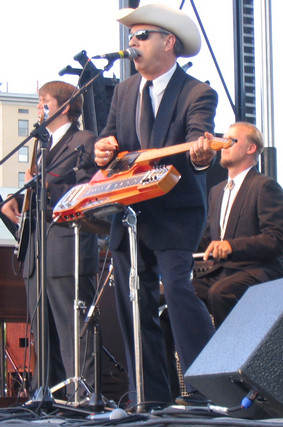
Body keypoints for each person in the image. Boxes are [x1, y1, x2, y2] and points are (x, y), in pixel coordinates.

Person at [94, 3, 218, 409]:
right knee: (134, 299)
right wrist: (103, 150)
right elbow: (113, 144)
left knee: (178, 288)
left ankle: (206, 388)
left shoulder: (197, 92)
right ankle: (150, 395)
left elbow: (200, 147)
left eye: (141, 35)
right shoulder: (125, 90)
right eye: (131, 37)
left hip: (175, 210)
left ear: (169, 42)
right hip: (130, 213)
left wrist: (201, 155)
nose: (133, 42)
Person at [1, 81, 99, 400]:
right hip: (37, 252)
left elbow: (85, 193)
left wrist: (42, 189)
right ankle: (46, 396)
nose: (39, 106)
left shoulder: (84, 141)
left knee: (73, 330)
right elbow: (37, 200)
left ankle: (81, 397)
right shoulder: (40, 146)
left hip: (67, 250)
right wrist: (13, 206)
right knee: (42, 334)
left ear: (65, 106)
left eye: (44, 100)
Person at [194, 122, 283, 329]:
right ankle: (184, 361)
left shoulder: (265, 186)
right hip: (223, 272)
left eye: (232, 140)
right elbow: (209, 239)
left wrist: (232, 246)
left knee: (221, 293)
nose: (224, 145)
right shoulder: (217, 191)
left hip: (260, 270)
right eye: (224, 140)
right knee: (177, 301)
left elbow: (277, 238)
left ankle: (232, 359)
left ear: (251, 148)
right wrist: (177, 249)